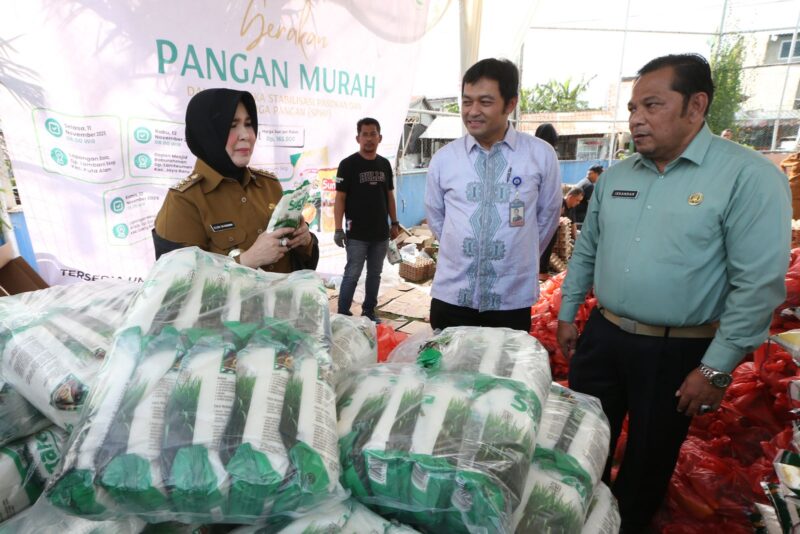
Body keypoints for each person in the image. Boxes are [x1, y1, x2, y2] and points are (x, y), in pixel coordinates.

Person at [556, 53, 791, 532]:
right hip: (604, 335)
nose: (636, 119)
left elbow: (758, 286)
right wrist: (567, 311)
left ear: (696, 106)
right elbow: (586, 252)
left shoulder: (747, 177)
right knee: (581, 442)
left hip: (678, 349)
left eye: (651, 105)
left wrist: (717, 367)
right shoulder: (618, 176)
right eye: (632, 108)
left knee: (648, 459)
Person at [425, 58, 562, 331]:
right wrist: (466, 250)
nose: (472, 111)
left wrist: (515, 255)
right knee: (445, 372)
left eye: (485, 102)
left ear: (510, 104)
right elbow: (436, 217)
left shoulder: (540, 155)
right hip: (452, 297)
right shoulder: (444, 159)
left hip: (510, 301)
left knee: (500, 373)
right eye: (466, 101)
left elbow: (547, 218)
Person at [152, 88, 317, 272]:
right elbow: (177, 285)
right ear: (207, 132)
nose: (246, 135)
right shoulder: (184, 201)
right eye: (232, 125)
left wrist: (305, 241)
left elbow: (300, 263)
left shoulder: (268, 186)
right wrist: (246, 261)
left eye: (248, 124)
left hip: (285, 300)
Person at [333, 117, 400, 323]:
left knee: (375, 275)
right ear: (357, 138)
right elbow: (340, 199)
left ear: (380, 138)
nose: (369, 138)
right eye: (365, 134)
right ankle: (343, 313)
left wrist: (395, 223)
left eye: (373, 134)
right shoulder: (347, 165)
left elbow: (389, 195)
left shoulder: (384, 164)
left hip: (380, 233)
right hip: (357, 234)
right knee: (352, 274)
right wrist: (337, 229)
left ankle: (369, 312)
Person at [540, 187, 584, 278]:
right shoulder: (560, 203)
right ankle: (542, 271)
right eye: (577, 200)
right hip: (550, 234)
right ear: (570, 197)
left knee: (576, 238)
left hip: (562, 239)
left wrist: (576, 241)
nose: (578, 203)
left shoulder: (571, 208)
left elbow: (573, 225)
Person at [780, 144, 800, 220]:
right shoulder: (795, 157)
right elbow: (782, 163)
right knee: (793, 214)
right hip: (794, 188)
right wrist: (784, 176)